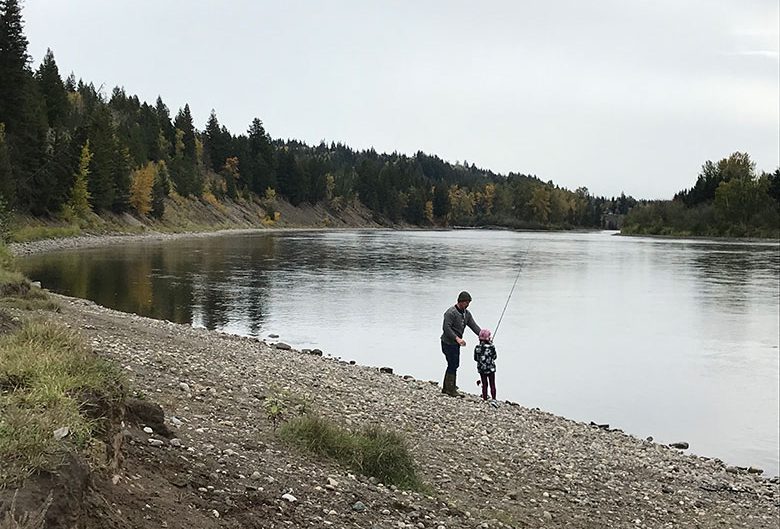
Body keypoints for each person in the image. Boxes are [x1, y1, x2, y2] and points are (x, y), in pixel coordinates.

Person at [440, 291, 481, 397]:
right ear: (461, 302)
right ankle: (451, 389)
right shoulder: (450, 312)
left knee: (453, 364)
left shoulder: (466, 314)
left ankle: (447, 388)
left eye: (469, 303)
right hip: (448, 342)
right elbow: (446, 328)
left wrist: (482, 335)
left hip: (456, 344)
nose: (468, 305)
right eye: (467, 302)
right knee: (453, 364)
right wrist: (457, 338)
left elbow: (473, 325)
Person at [474, 328, 498, 405]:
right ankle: (494, 399)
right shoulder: (492, 347)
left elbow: (475, 358)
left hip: (481, 369)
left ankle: (484, 398)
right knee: (492, 384)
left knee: (484, 384)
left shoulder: (477, 348)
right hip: (491, 369)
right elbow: (494, 357)